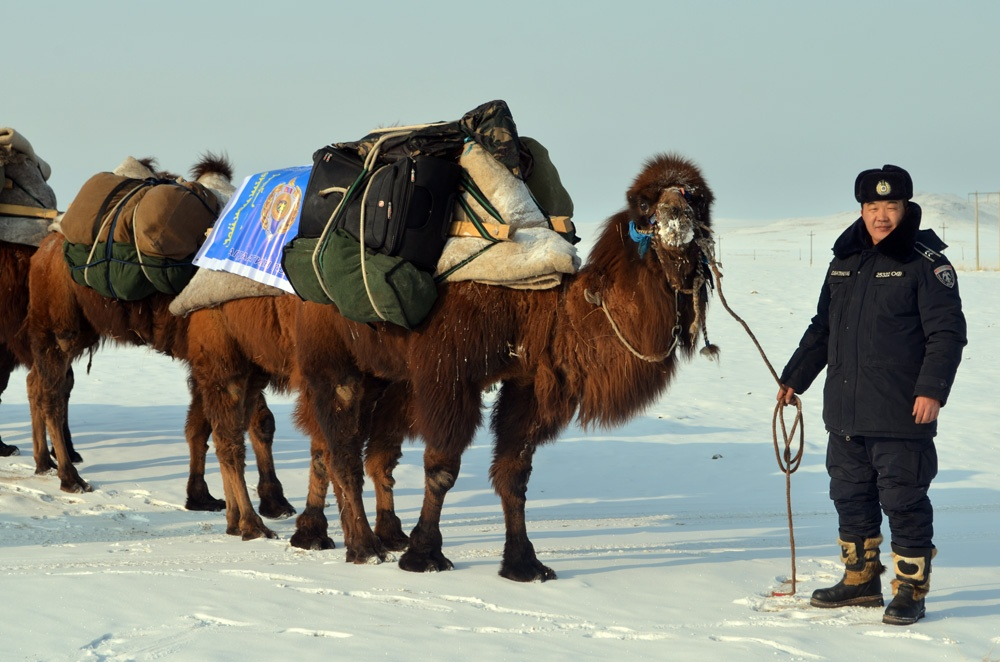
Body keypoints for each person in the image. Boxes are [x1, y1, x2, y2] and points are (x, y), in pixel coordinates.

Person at [777, 165, 966, 626]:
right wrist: (794, 377)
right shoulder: (845, 259)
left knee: (903, 499)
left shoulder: (927, 263)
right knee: (850, 495)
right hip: (845, 410)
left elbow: (947, 334)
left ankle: (910, 590)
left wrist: (931, 391)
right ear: (861, 209)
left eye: (891, 206)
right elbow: (823, 327)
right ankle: (860, 581)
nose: (881, 216)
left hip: (903, 410)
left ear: (906, 209)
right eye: (872, 207)